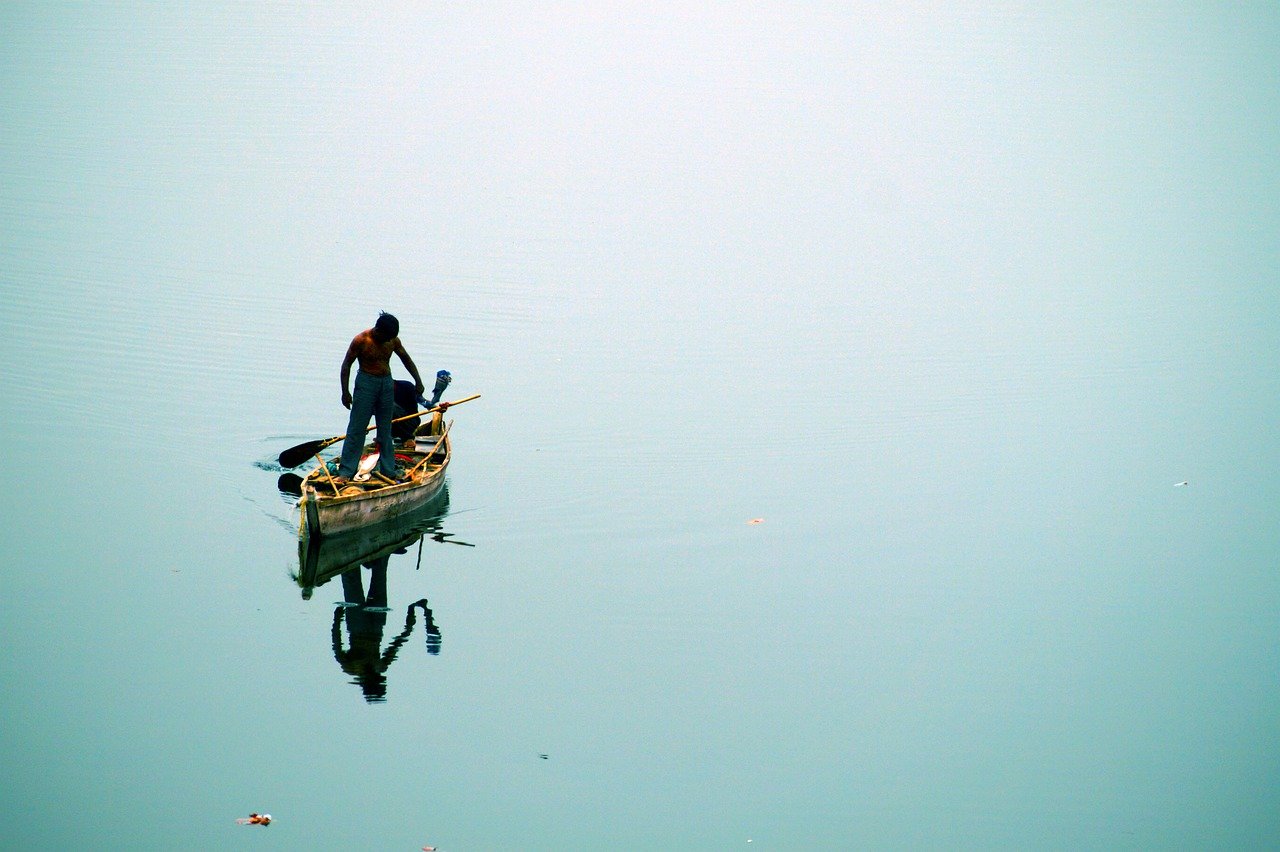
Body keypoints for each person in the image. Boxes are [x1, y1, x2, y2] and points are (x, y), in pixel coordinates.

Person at [335, 312, 424, 483]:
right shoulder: (361, 341)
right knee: (357, 429)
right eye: (387, 337)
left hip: (386, 384)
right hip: (366, 384)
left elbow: (406, 359)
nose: (389, 340)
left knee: (385, 429)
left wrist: (418, 381)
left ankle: (388, 470)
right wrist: (345, 392)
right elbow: (346, 365)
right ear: (378, 330)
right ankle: (346, 472)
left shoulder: (392, 340)